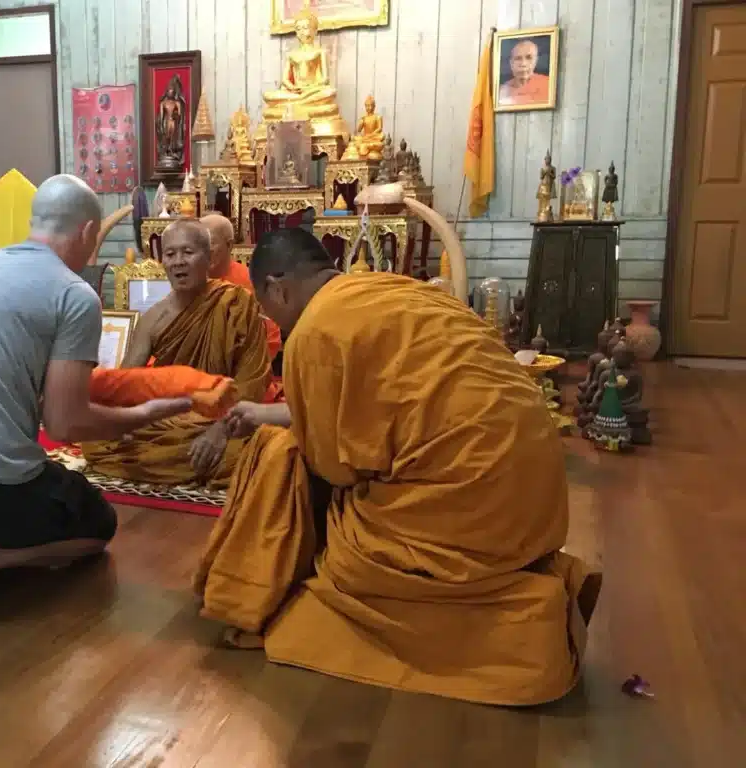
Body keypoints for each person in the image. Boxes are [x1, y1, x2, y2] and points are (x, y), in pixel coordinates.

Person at [193, 228, 602, 706]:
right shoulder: (395, 290)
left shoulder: (315, 331)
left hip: (470, 513)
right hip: (539, 497)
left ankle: (261, 591)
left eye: (268, 308)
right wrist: (267, 413)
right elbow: (385, 404)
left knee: (286, 467)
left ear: (278, 288)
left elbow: (336, 466)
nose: (273, 322)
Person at [0, 174, 192, 643]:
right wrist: (142, 415)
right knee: (98, 525)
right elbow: (66, 423)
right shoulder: (73, 294)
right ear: (88, 232)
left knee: (30, 482)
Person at [81, 219, 271, 487]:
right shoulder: (154, 318)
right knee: (95, 441)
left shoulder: (236, 304)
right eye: (170, 254)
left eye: (188, 252)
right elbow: (126, 383)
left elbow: (253, 380)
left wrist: (221, 430)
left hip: (229, 417)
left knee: (255, 451)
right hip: (173, 419)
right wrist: (118, 420)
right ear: (163, 261)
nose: (178, 261)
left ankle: (195, 459)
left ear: (208, 258)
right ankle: (195, 462)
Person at [200, 213, 283, 361]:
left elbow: (270, 338)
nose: (204, 250)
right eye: (199, 243)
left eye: (210, 243)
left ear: (229, 245)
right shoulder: (189, 281)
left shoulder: (251, 282)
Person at [499, 39, 551, 106]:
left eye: (529, 58)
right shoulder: (501, 91)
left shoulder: (548, 84)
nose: (523, 64)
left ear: (536, 60)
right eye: (518, 58)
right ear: (511, 63)